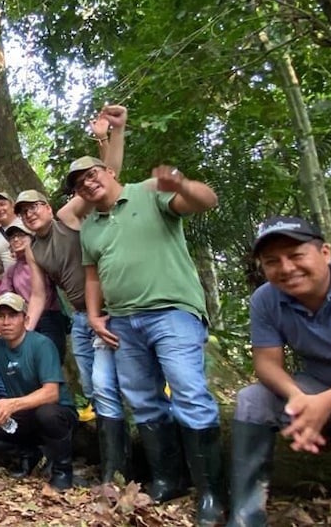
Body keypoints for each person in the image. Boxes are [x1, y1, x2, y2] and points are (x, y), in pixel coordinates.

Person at [75, 156, 223, 525]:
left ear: (109, 171)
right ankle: (167, 480)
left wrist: (181, 184)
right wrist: (93, 315)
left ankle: (211, 493)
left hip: (171, 311)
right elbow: (93, 276)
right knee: (142, 400)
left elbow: (207, 201)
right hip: (123, 322)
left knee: (188, 390)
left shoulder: (147, 192)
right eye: (79, 183)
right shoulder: (90, 226)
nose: (88, 183)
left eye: (92, 174)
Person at [227, 217, 331, 527]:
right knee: (253, 399)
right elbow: (266, 362)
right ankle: (245, 514)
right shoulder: (266, 299)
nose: (286, 268)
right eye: (272, 261)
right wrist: (297, 397)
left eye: (296, 255)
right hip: (320, 388)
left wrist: (327, 402)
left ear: (325, 253)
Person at [13, 103, 128, 481]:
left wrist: (108, 137)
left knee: (115, 382)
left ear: (47, 207)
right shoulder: (34, 248)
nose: (30, 214)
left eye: (34, 207)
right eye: (24, 212)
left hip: (110, 309)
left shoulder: (67, 217)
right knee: (94, 386)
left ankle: (120, 468)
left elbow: (105, 177)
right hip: (80, 317)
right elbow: (38, 295)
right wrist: (26, 329)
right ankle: (110, 462)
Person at [0, 292, 78, 492]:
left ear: (25, 320)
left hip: (57, 414)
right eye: (1, 316)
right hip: (24, 415)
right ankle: (28, 453)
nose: (6, 322)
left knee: (46, 413)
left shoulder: (41, 344)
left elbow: (51, 393)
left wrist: (11, 404)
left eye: (12, 316)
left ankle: (62, 471)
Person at [0, 219, 70, 359]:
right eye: (12, 237)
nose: (16, 239)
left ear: (31, 237)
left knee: (51, 360)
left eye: (21, 235)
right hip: (25, 320)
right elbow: (4, 298)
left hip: (49, 318)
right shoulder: (12, 271)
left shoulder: (43, 260)